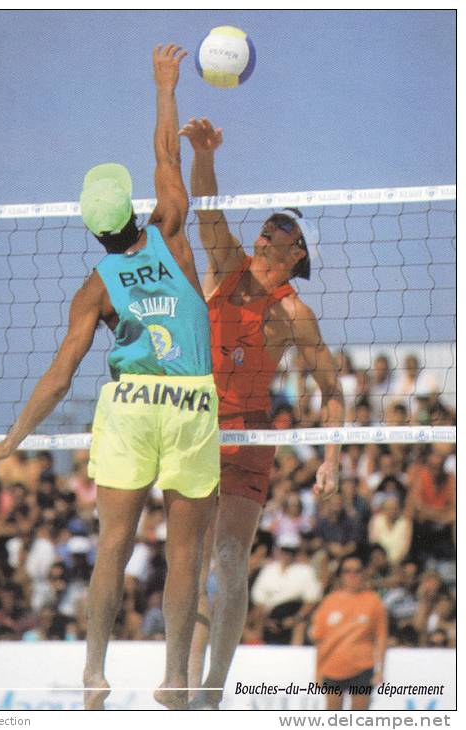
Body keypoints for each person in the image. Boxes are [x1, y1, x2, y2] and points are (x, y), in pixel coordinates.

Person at [0, 45, 219, 711]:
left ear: (94, 231)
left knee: (113, 545)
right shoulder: (170, 232)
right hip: (189, 401)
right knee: (186, 555)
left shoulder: (93, 290)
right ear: (132, 213)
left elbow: (58, 377)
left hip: (130, 404)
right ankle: (174, 677)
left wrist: (10, 439)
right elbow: (167, 153)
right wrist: (165, 84)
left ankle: (94, 673)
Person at [178, 117, 344, 709]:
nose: (266, 229)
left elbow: (332, 391)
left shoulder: (296, 314)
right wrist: (203, 152)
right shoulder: (227, 267)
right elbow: (206, 208)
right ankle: (181, 685)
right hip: (198, 425)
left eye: (281, 228)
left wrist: (329, 461)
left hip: (249, 432)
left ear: (295, 250)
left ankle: (210, 694)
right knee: (189, 558)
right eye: (269, 223)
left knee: (228, 557)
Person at [311, 556, 388, 711]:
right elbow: (320, 639)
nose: (352, 575)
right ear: (341, 575)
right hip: (332, 666)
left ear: (364, 574)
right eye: (347, 571)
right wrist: (318, 670)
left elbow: (380, 638)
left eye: (357, 571)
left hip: (363, 667)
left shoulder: (374, 601)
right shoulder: (329, 602)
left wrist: (380, 669)